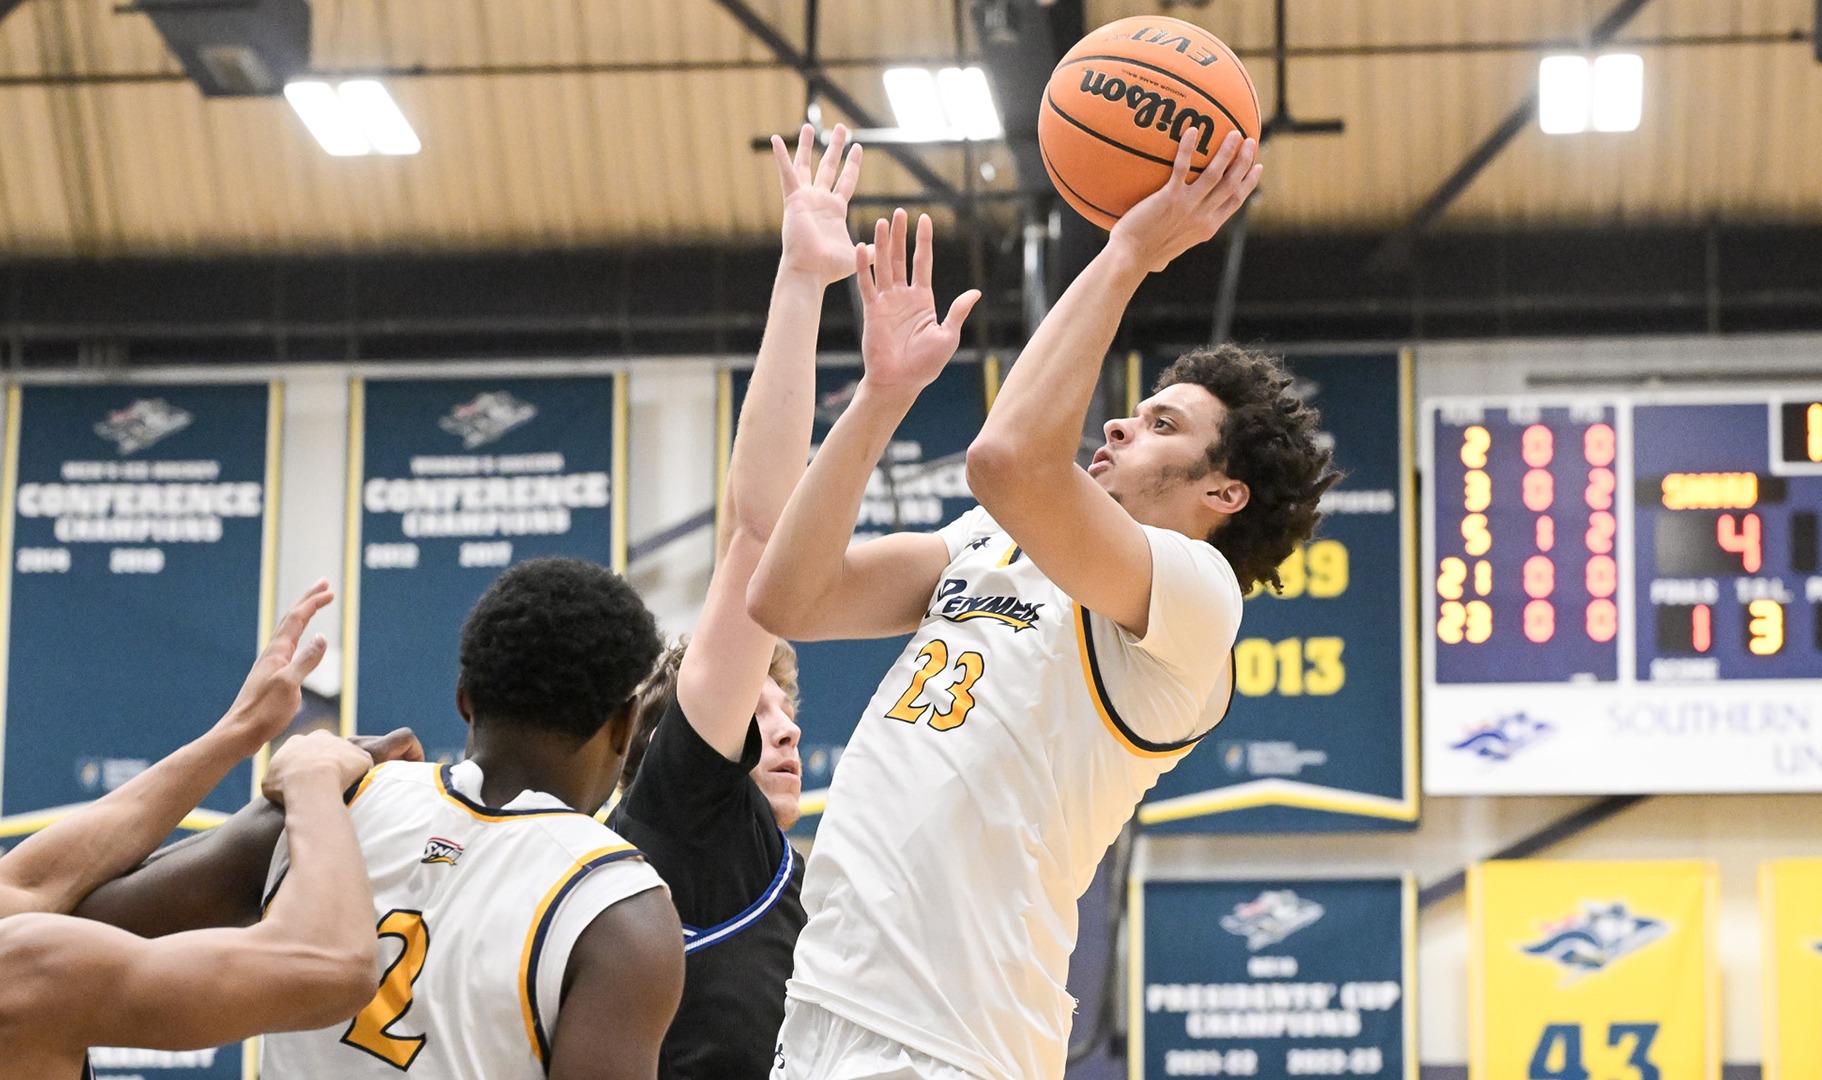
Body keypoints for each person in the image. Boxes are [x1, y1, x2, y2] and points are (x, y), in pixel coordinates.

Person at [748, 128, 1332, 1079]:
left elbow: (1007, 459)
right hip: (827, 1006)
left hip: (950, 1038)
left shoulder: (1193, 598)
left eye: (1161, 425)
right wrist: (883, 396)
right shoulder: (987, 540)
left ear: (1223, 494)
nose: (1119, 421)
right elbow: (789, 594)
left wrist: (1131, 251)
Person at [77, 557, 686, 1080]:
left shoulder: (336, 799)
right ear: (625, 724)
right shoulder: (623, 911)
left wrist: (259, 756)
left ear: (464, 696)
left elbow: (69, 918)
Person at [606, 121, 864, 1079]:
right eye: (758, 715)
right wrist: (800, 289)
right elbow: (755, 546)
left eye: (789, 713)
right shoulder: (679, 817)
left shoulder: (782, 870)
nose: (787, 734)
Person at [0, 581, 379, 1080]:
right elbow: (333, 967)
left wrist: (239, 730)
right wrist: (311, 774)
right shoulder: (25, 970)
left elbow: (32, 884)